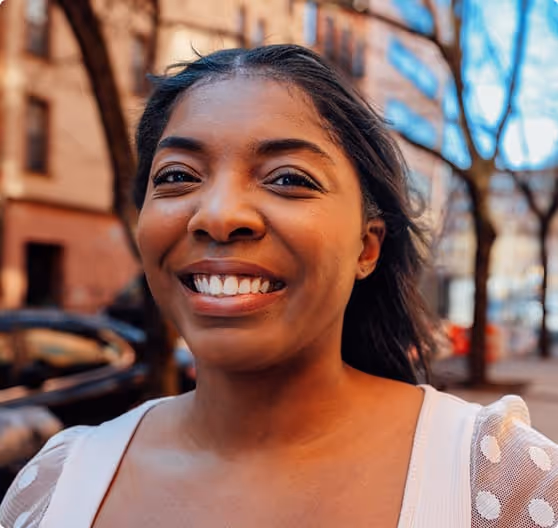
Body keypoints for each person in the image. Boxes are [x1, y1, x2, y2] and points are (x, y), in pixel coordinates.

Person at [1, 44, 556, 528]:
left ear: (367, 246)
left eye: (288, 179)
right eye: (176, 176)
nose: (217, 215)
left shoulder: (502, 484)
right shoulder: (56, 486)